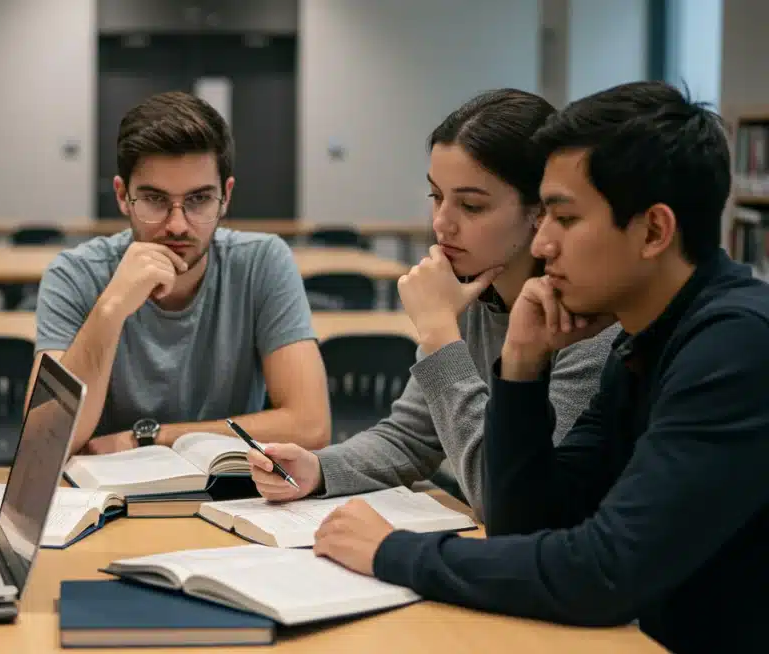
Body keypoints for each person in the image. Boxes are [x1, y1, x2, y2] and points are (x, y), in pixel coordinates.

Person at [310, 81, 767, 653]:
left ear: (653, 231)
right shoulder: (638, 341)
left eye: (564, 219)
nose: (543, 245)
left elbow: (604, 569)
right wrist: (522, 365)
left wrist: (392, 552)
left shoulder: (734, 347)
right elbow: (528, 524)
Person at [249, 89, 617, 513]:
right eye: (436, 197)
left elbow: (506, 498)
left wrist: (440, 335)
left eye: (471, 205)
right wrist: (318, 468)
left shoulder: (587, 325)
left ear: (540, 209)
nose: (441, 222)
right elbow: (410, 436)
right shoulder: (476, 295)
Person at [34, 91, 330, 455]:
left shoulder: (262, 262)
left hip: (233, 497)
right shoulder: (74, 274)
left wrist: (151, 437)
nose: (177, 225)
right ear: (122, 196)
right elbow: (45, 442)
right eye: (155, 200)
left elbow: (310, 425)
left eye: (198, 199)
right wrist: (110, 309)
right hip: (109, 498)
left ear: (227, 196)